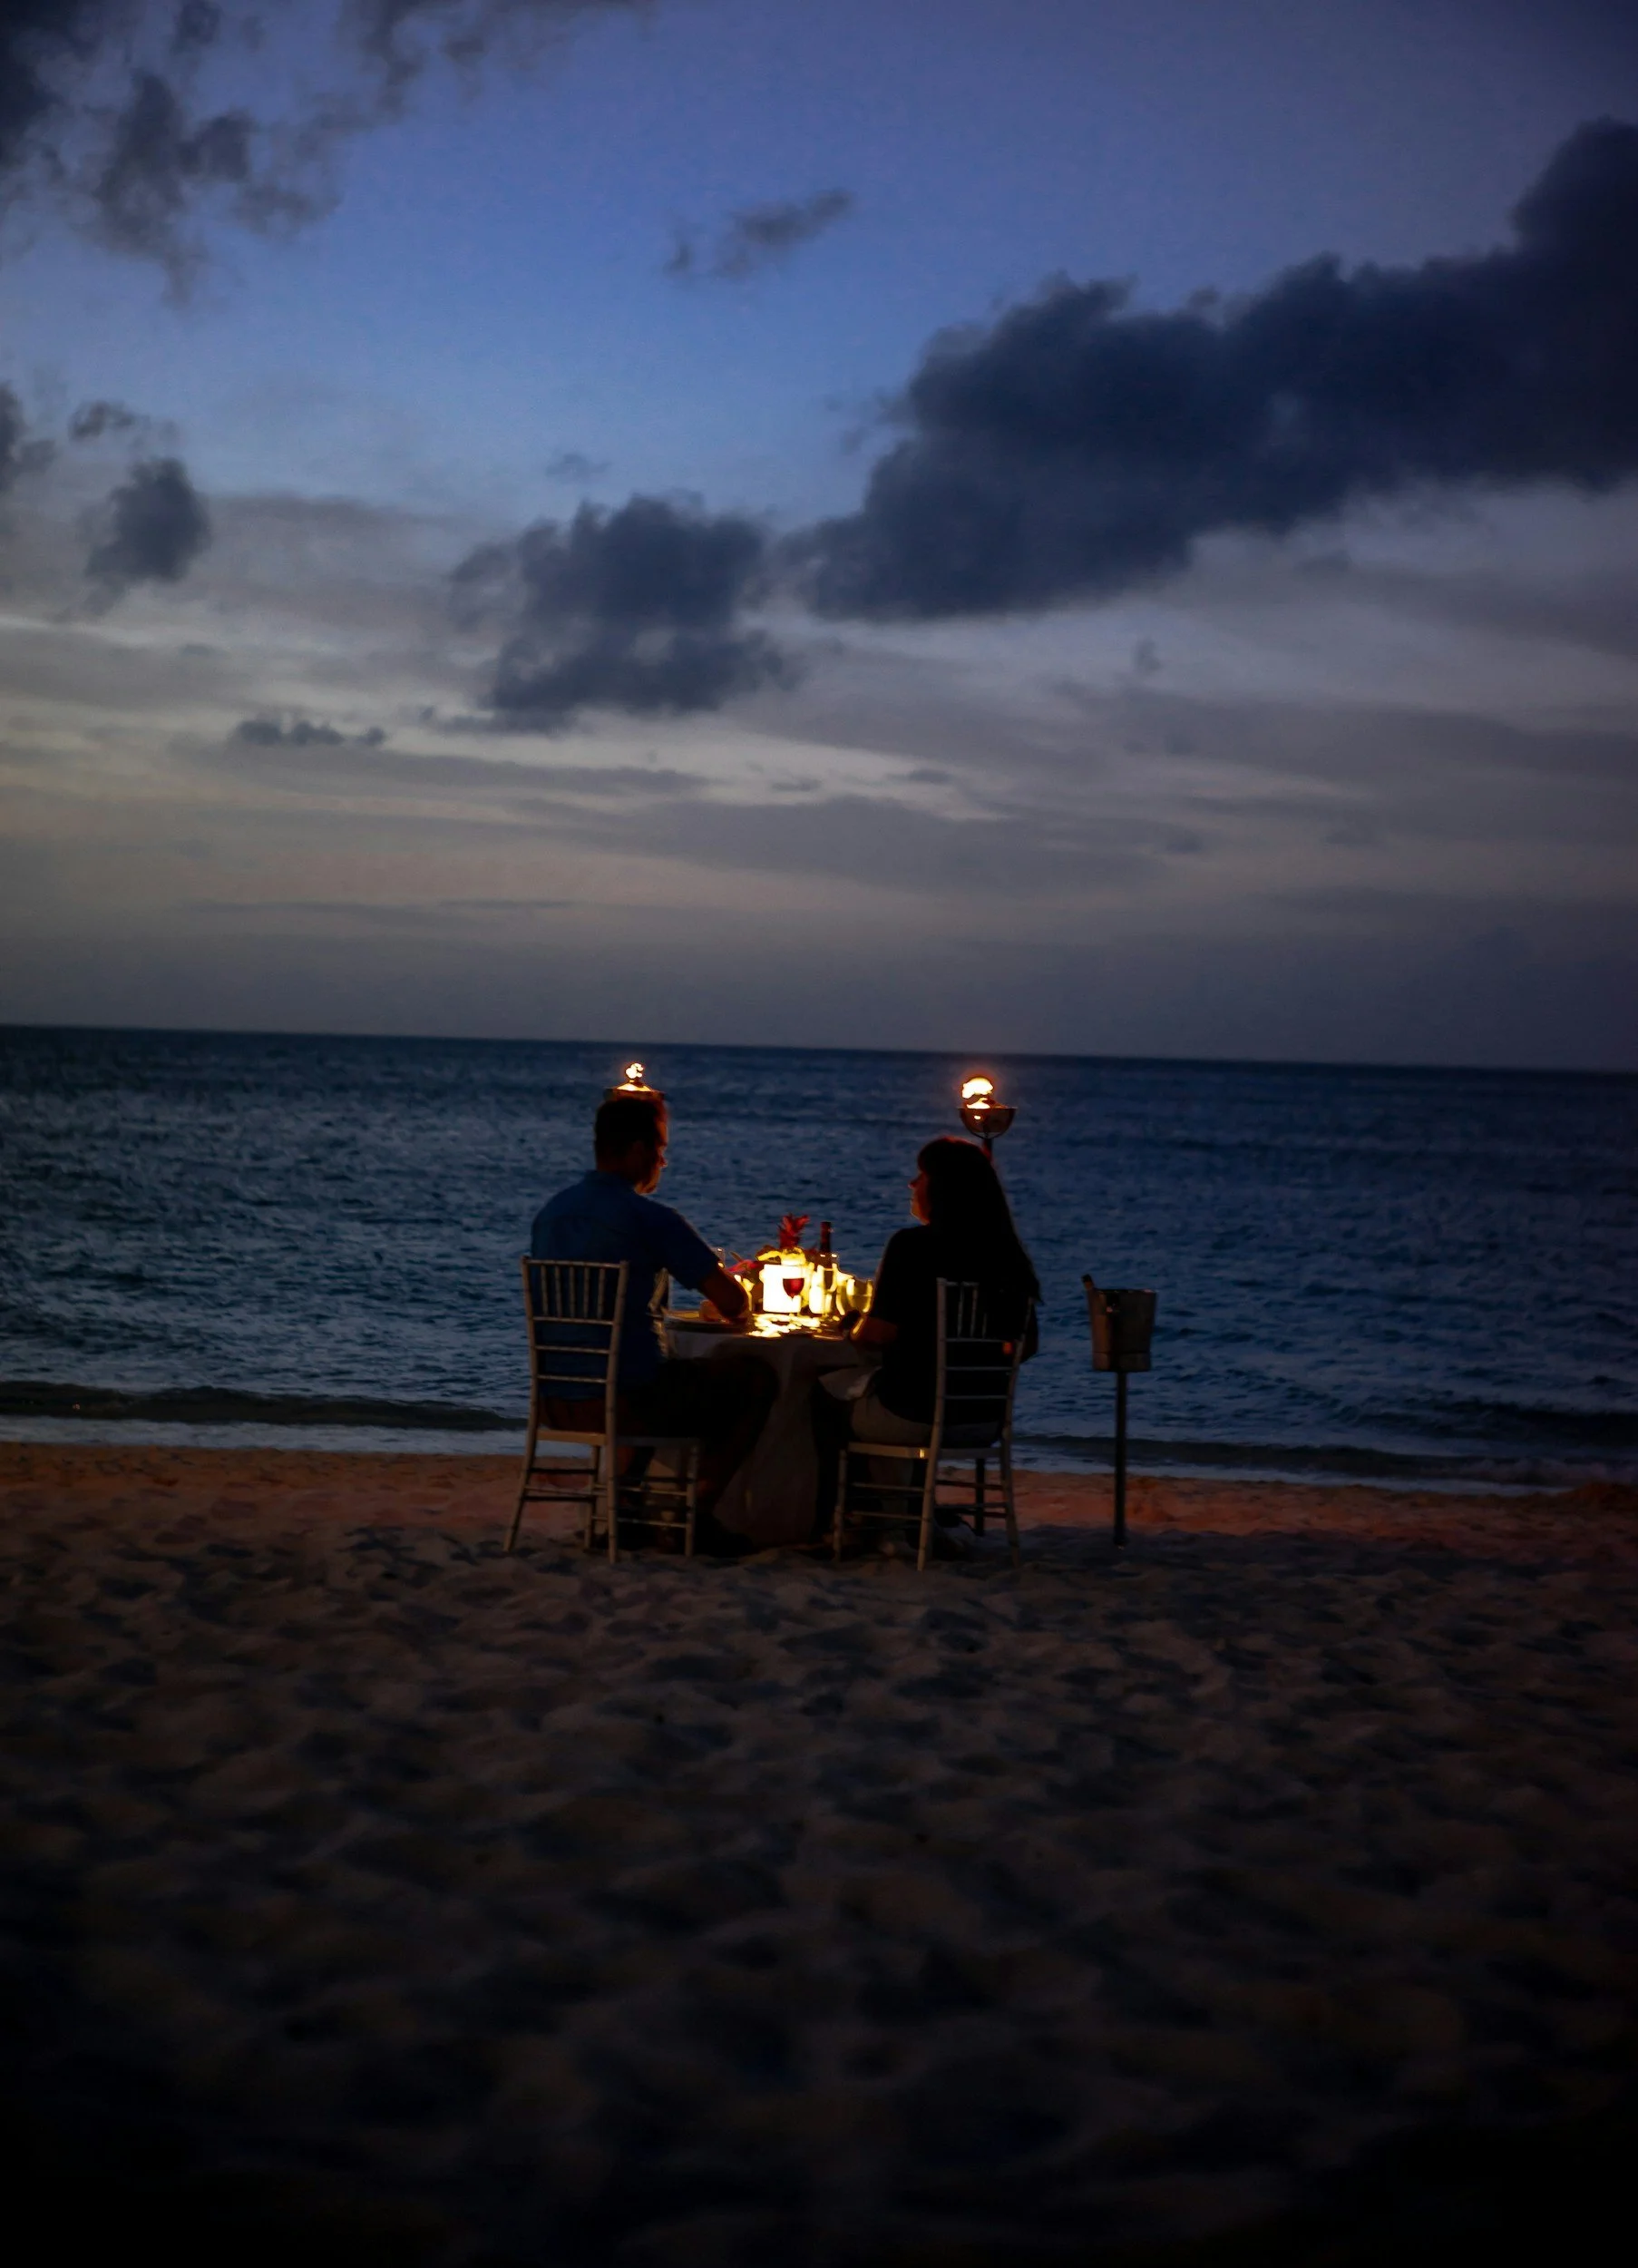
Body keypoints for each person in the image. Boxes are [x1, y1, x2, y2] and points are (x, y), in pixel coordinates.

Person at [531, 1091, 775, 1551]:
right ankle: (696, 1513)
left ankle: (624, 1510)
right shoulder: (649, 1218)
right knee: (754, 1379)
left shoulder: (551, 1214)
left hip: (555, 1400)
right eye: (661, 1151)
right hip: (625, 1403)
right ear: (639, 1150)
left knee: (648, 1368)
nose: (663, 1162)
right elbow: (731, 1301)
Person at [812, 1136, 1039, 1548]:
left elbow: (877, 1335)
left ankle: (845, 1521)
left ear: (942, 1187)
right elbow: (1026, 1346)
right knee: (904, 1391)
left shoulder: (911, 1246)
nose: (912, 1185)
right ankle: (913, 1518)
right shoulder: (1007, 1257)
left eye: (921, 1176)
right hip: (982, 1421)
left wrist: (851, 1328)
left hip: (913, 1413)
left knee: (822, 1398)